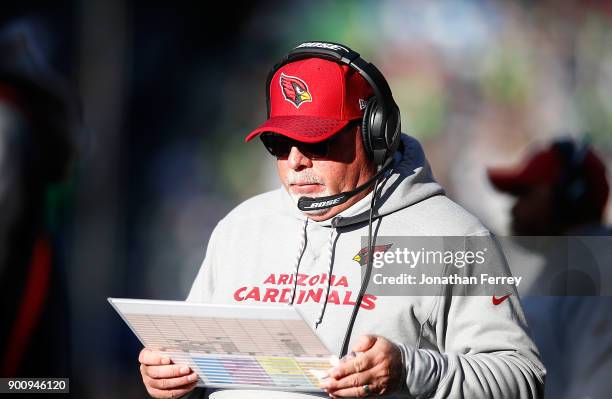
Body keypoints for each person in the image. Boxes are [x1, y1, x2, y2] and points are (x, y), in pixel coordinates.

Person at [139, 41, 545, 398]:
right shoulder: (240, 228)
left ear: (375, 133)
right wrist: (172, 378)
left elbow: (522, 378)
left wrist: (410, 371)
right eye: (279, 143)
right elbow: (192, 362)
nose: (295, 161)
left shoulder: (451, 236)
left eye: (316, 139)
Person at [488, 139, 612, 399]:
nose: (514, 208)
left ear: (570, 193)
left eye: (525, 193)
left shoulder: (598, 269)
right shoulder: (569, 263)